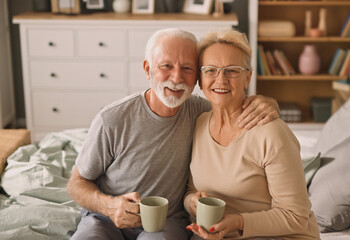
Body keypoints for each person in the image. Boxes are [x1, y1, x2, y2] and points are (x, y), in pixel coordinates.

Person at [67, 28, 279, 240]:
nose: (177, 78)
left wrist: (270, 102)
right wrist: (109, 206)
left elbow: (233, 105)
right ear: (147, 68)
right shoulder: (112, 118)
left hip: (167, 222)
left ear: (197, 76)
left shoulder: (203, 113)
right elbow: (76, 183)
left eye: (187, 68)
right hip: (105, 219)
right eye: (166, 66)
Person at [184, 29, 320, 239]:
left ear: (247, 77)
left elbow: (296, 216)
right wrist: (191, 201)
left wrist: (238, 222)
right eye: (210, 70)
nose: (221, 79)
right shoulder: (199, 124)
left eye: (232, 71)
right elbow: (192, 188)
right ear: (199, 80)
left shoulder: (271, 132)